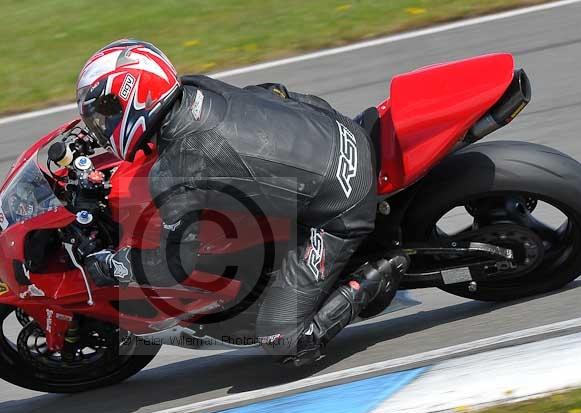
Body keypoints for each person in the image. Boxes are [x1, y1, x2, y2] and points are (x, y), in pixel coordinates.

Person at [77, 39, 408, 365]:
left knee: (282, 339)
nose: (102, 124)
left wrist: (114, 264)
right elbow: (271, 92)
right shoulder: (194, 89)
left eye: (107, 112)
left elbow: (177, 262)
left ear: (138, 97)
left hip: (343, 202)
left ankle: (380, 272)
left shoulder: (182, 163)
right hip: (337, 128)